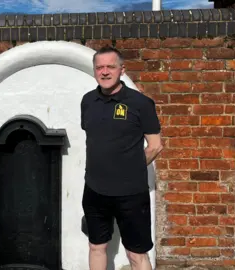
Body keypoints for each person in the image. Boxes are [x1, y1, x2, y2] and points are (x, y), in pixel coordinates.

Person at [80, 45, 163, 270]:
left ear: (122, 70)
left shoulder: (141, 104)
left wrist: (130, 169)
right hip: (95, 191)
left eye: (110, 67)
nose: (105, 72)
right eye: (99, 67)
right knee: (96, 247)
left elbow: (155, 146)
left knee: (136, 254)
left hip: (131, 194)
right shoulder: (88, 101)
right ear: (95, 71)